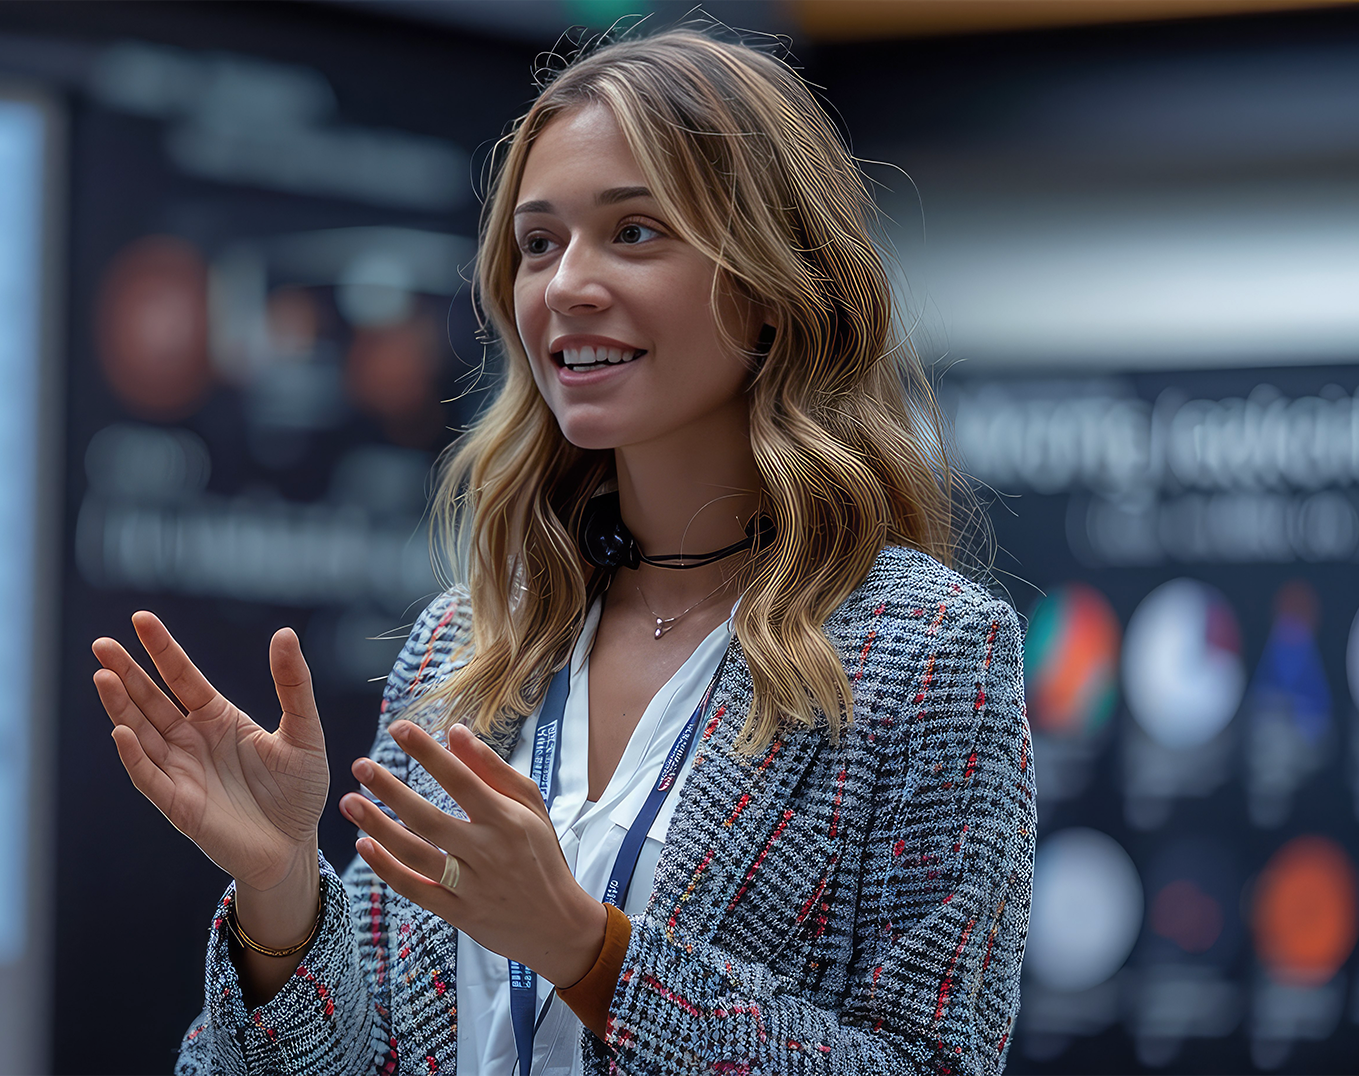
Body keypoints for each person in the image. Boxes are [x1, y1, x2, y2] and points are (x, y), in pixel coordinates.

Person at [92, 29, 1033, 1076]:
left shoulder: (930, 652)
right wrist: (281, 894)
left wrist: (587, 951)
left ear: (773, 282)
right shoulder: (469, 642)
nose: (566, 285)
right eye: (538, 244)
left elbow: (928, 1061)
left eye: (634, 231)